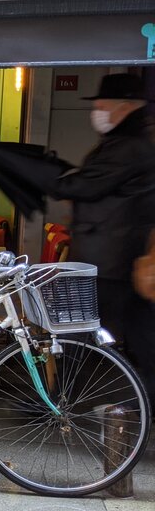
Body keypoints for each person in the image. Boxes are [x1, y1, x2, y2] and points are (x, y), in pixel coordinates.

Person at [46, 73, 155, 399]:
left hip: (108, 262)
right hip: (118, 259)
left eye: (103, 106)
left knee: (76, 334)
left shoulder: (128, 147)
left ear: (124, 107)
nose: (98, 112)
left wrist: (48, 176)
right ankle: (63, 399)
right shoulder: (131, 143)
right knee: (140, 337)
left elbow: (88, 185)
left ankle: (59, 402)